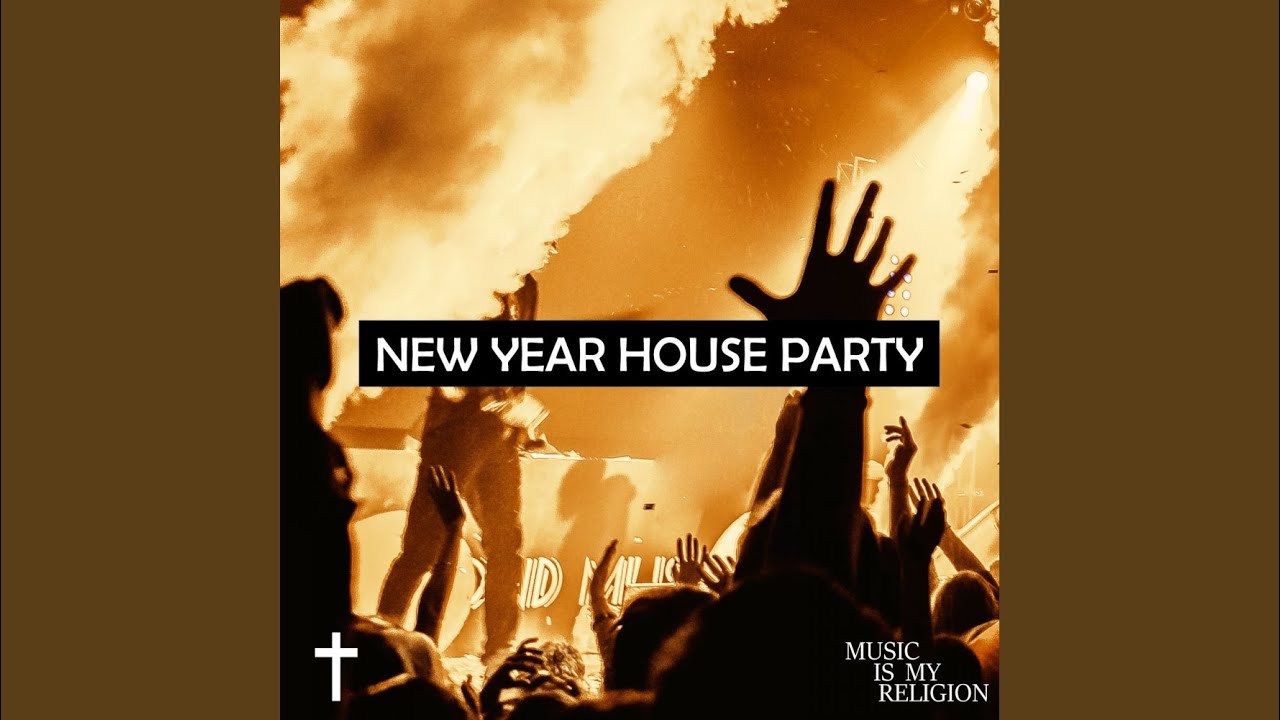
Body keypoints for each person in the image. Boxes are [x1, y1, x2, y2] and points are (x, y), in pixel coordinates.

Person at [379, 274, 542, 671]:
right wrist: (491, 396)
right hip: (454, 434)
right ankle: (385, 641)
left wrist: (517, 405)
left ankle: (500, 649)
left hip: (502, 438)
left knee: (506, 544)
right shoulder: (475, 269)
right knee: (425, 546)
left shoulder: (527, 284)